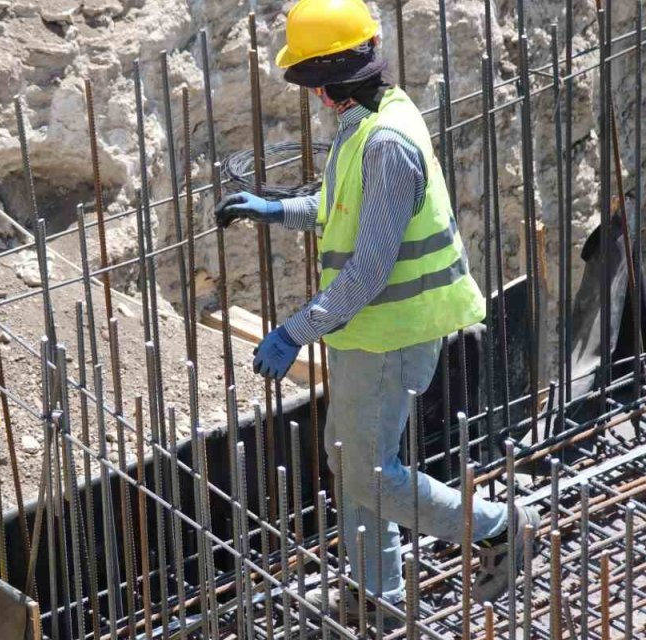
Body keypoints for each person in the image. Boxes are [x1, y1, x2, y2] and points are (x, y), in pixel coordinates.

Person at [214, 0, 539, 629]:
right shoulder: (372, 117)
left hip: (392, 330)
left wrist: (293, 332)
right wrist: (278, 211)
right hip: (367, 328)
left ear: (325, 85)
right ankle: (377, 596)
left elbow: (367, 271)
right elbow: (342, 208)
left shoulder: (386, 142)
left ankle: (502, 528)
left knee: (372, 472)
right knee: (353, 459)